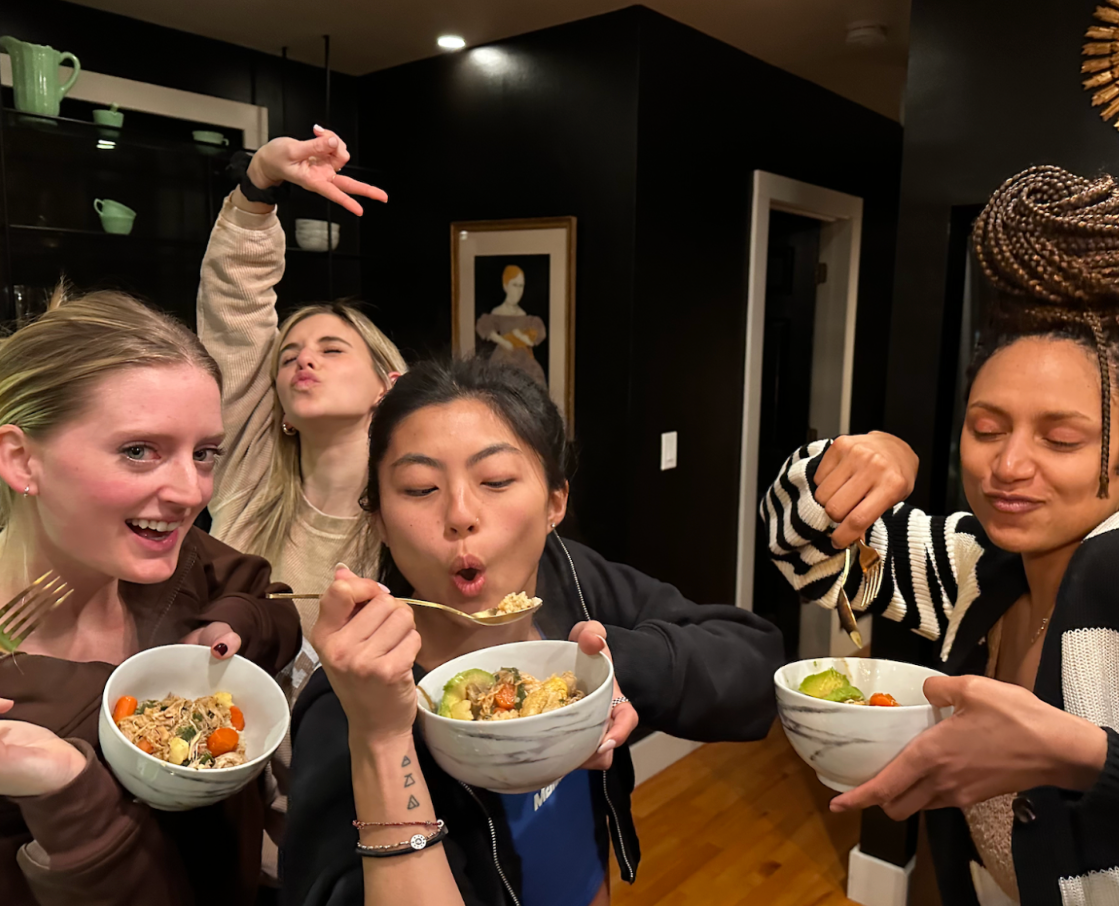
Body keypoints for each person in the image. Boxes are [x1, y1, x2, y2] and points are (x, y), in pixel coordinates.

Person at [763, 166, 1119, 905]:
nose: (1008, 466)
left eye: (1062, 439)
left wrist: (1083, 756)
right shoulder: (979, 568)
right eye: (987, 428)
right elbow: (804, 555)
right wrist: (857, 459)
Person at [282, 357, 785, 906]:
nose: (460, 513)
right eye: (420, 487)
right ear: (377, 516)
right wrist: (381, 737)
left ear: (554, 503)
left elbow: (757, 666)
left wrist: (612, 668)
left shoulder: (572, 576)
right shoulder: (347, 706)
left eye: (495, 480)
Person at [0, 288, 301, 906]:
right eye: (139, 451)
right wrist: (66, 796)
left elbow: (267, 602)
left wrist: (232, 625)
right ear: (21, 458)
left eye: (204, 453)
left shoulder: (176, 563)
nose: (191, 491)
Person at [197, 126, 403, 651]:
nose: (304, 358)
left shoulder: (418, 510)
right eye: (288, 356)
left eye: (332, 350)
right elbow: (234, 309)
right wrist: (258, 183)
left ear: (389, 385)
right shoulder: (250, 474)